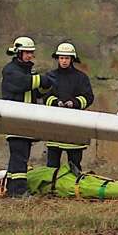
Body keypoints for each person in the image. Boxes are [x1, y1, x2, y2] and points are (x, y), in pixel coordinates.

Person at [0, 36, 49, 196]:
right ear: (18, 53)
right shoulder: (10, 70)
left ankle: (12, 188)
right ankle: (19, 191)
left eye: (31, 52)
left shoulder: (28, 72)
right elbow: (23, 83)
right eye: (26, 52)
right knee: (19, 156)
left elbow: (36, 92)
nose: (29, 55)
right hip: (15, 120)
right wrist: (42, 79)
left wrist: (46, 86)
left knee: (19, 156)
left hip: (25, 121)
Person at [42, 41, 94, 172]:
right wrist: (55, 102)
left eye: (66, 58)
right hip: (55, 126)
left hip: (74, 126)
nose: (64, 61)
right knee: (52, 166)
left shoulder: (81, 78)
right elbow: (45, 96)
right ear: (58, 59)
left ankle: (74, 184)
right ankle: (51, 184)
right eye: (61, 58)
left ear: (72, 59)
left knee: (74, 165)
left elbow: (89, 97)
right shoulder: (50, 76)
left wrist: (75, 103)